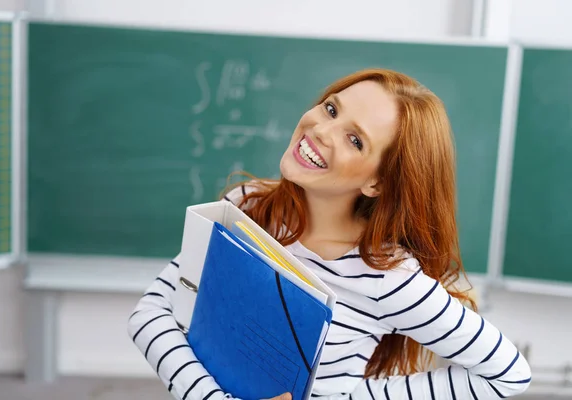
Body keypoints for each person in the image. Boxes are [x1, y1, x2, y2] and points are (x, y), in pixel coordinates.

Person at [127, 69, 531, 399]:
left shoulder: (390, 280)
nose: (321, 130)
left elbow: (508, 375)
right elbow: (151, 314)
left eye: (355, 140)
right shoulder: (247, 207)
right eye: (331, 108)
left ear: (377, 182)